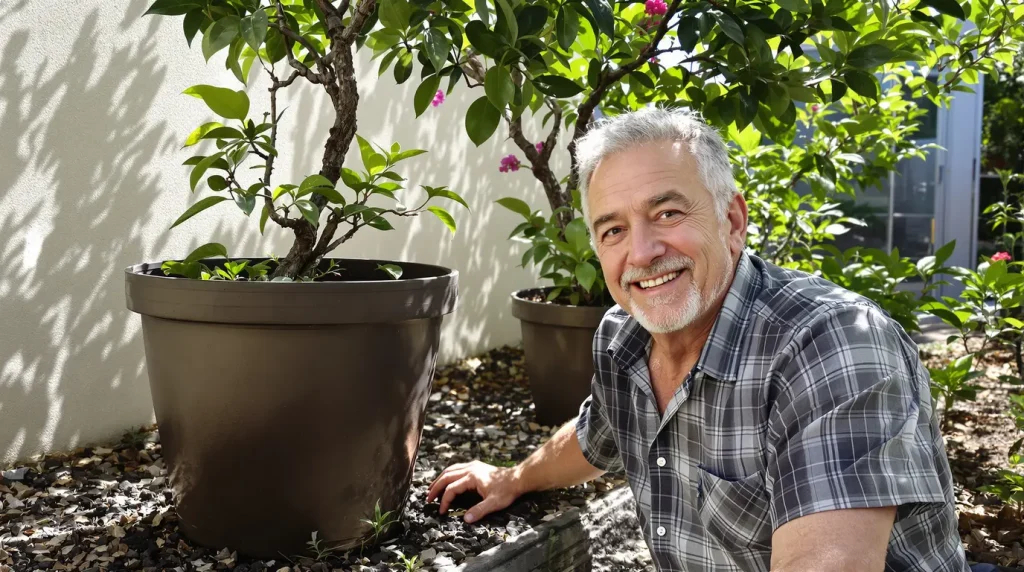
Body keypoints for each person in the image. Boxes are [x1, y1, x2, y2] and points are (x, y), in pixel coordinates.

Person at [427, 107, 974, 571]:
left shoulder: (832, 346)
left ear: (731, 220)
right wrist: (512, 478)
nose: (641, 252)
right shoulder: (625, 337)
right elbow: (598, 436)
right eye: (613, 230)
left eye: (667, 213)